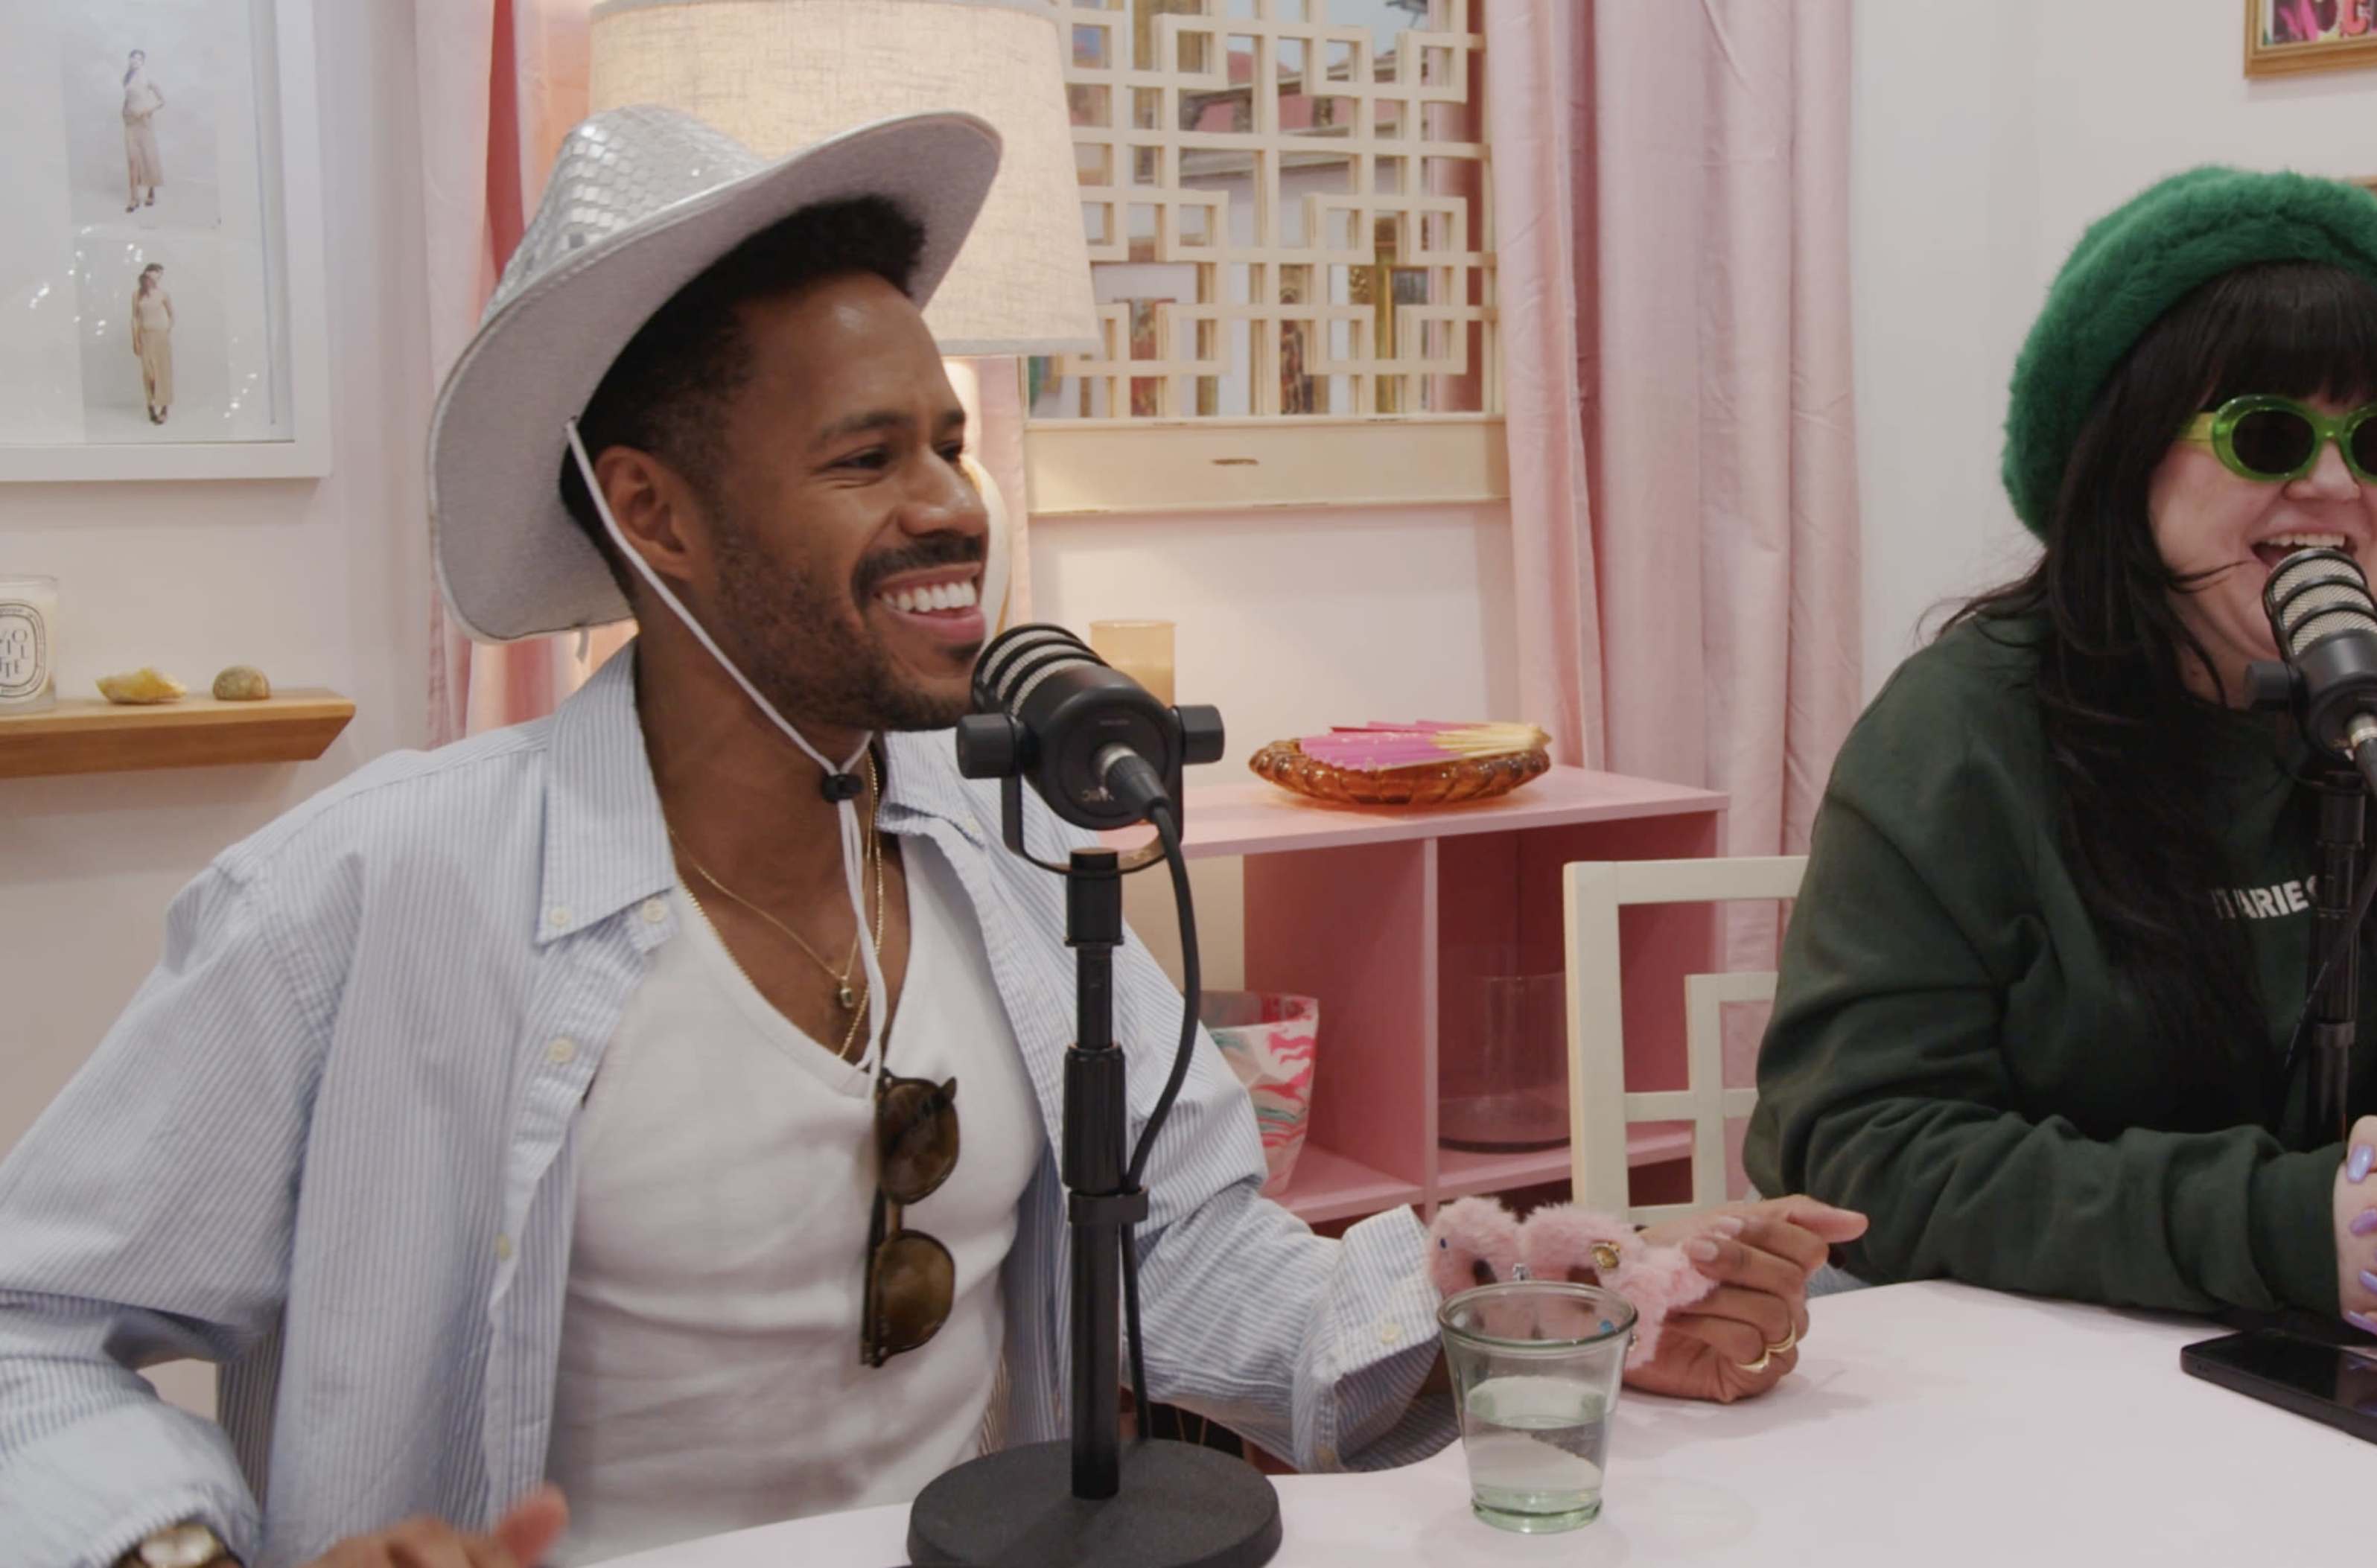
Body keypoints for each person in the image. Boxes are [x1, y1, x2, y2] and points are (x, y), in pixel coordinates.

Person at [0, 108, 1865, 1568]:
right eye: (866, 457)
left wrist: (1563, 1310)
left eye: (950, 442)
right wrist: (182, 1542)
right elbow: (28, 1331)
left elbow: (1206, 1275)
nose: (950, 506)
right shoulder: (371, 893)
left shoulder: (1009, 850)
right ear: (649, 513)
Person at [1746, 168, 2377, 1349]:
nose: (2331, 484)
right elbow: (1855, 1140)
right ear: (2124, 463)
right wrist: (2271, 1228)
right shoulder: (1966, 731)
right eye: (2268, 431)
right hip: (2031, 1371)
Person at [128, 265, 171, 425]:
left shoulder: (163, 295)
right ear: (147, 275)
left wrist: (166, 328)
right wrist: (135, 339)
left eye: (159, 277)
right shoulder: (137, 295)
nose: (157, 279)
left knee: (163, 372)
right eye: (155, 276)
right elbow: (134, 318)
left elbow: (171, 314)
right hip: (145, 336)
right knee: (149, 373)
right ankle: (151, 405)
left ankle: (164, 408)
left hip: (161, 336)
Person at [121, 51, 163, 214]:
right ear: (129, 60)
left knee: (148, 157)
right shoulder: (126, 78)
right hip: (130, 123)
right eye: (132, 58)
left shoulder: (148, 78)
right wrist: (125, 112)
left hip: (144, 122)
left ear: (143, 61)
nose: (135, 61)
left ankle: (151, 191)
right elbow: (129, 98)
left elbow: (162, 100)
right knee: (132, 160)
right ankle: (133, 199)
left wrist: (146, 110)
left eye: (138, 58)